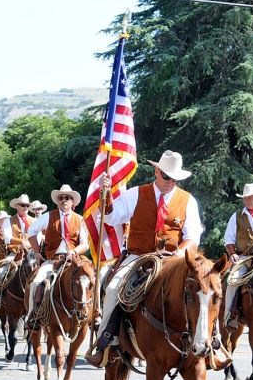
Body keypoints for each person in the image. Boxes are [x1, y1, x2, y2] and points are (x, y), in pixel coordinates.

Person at [86, 150, 202, 367]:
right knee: (112, 290)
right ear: (157, 171)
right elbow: (111, 216)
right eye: (166, 176)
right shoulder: (135, 194)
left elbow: (192, 236)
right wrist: (106, 193)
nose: (170, 182)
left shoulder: (188, 200)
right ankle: (105, 343)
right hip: (138, 257)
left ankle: (211, 343)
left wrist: (180, 252)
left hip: (172, 259)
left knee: (203, 290)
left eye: (175, 179)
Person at [26, 185, 89, 329]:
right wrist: (36, 252)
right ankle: (33, 315)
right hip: (52, 260)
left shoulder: (79, 219)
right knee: (36, 282)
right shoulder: (48, 216)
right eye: (61, 198)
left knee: (90, 279)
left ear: (72, 202)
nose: (64, 200)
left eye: (67, 198)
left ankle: (95, 313)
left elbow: (85, 244)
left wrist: (74, 251)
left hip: (73, 260)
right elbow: (31, 231)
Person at [223, 183, 253, 329]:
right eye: (245, 198)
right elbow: (229, 239)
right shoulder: (237, 216)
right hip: (245, 257)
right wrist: (232, 254)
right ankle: (229, 316)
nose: (247, 200)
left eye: (250, 198)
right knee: (233, 281)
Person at [0, 194, 35, 311]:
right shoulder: (9, 221)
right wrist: (22, 242)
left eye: (26, 205)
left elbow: (39, 236)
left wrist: (31, 243)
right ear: (17, 206)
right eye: (22, 205)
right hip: (15, 254)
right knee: (0, 271)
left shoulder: (34, 220)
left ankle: (44, 299)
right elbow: (7, 238)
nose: (25, 207)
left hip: (32, 254)